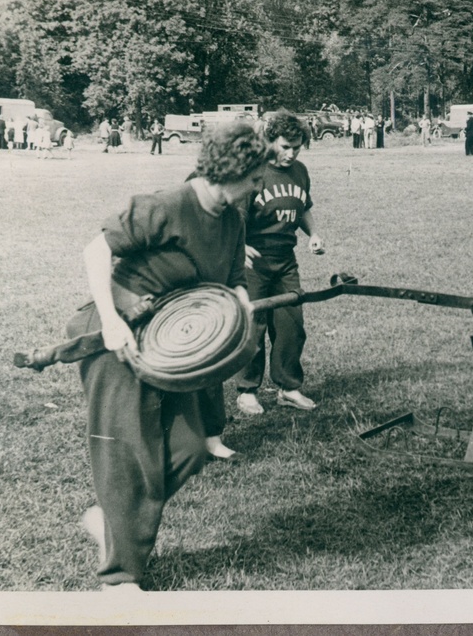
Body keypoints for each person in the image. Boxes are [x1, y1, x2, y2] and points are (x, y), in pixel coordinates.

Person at [67, 121, 265, 591]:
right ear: (232, 170)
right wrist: (112, 321)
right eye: (255, 178)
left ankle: (110, 521)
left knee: (190, 448)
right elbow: (95, 251)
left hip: (169, 342)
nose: (259, 187)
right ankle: (120, 579)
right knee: (126, 456)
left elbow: (234, 281)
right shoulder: (167, 205)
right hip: (115, 335)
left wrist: (242, 311)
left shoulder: (233, 222)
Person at [236, 111, 324, 416]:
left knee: (291, 326)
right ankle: (247, 390)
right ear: (270, 140)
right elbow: (236, 217)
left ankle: (288, 388)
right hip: (253, 262)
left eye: (297, 147)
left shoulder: (300, 171)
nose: (291, 153)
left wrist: (314, 234)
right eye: (285, 146)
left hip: (286, 260)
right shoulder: (254, 171)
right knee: (253, 326)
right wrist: (239, 247)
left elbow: (303, 207)